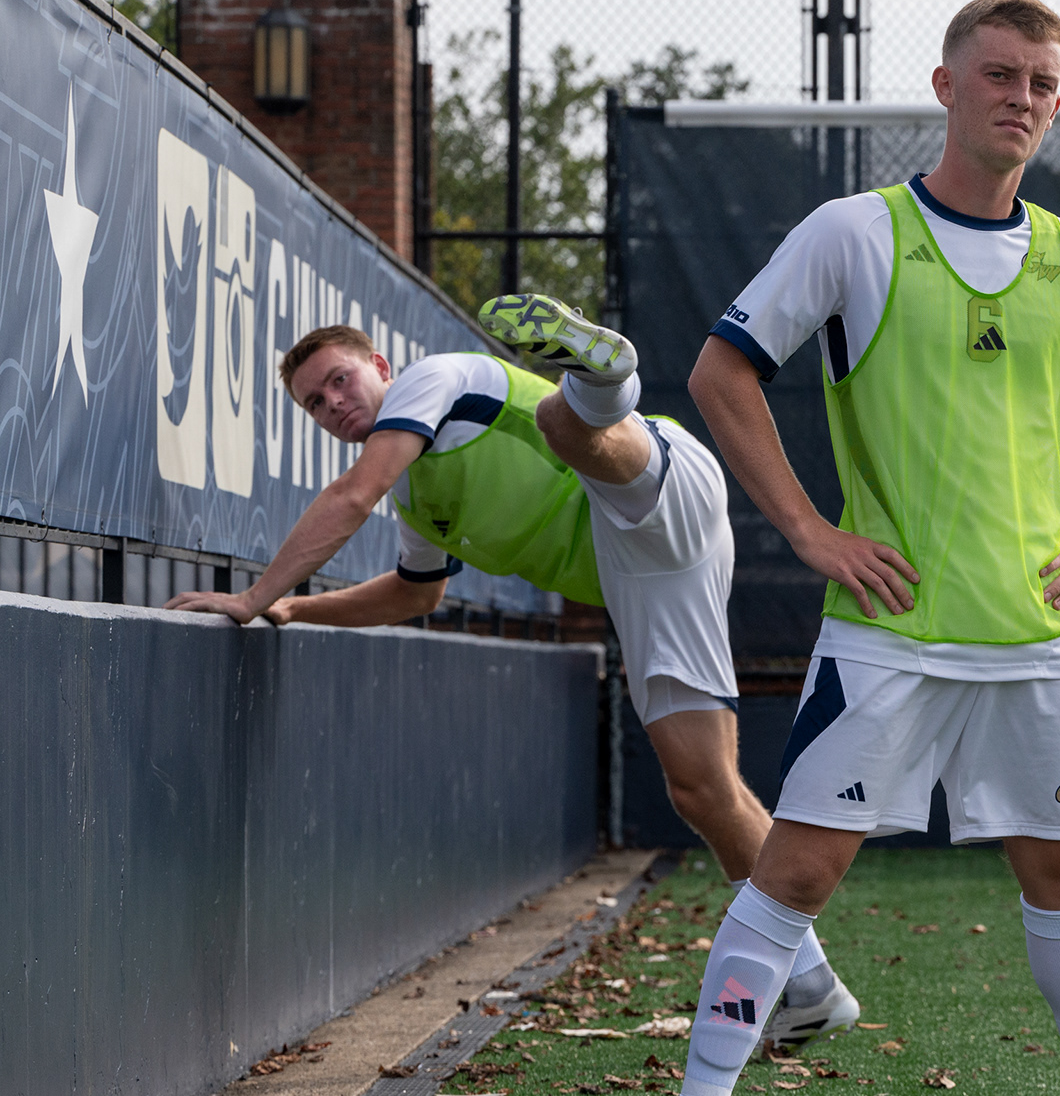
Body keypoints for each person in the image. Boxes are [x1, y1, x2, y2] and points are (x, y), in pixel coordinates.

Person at [648, 0, 1060, 1096]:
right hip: (889, 633)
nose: (1018, 97)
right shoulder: (854, 232)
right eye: (997, 74)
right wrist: (812, 530)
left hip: (1031, 636)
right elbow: (721, 371)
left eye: (1039, 82)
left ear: (1057, 101)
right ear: (944, 84)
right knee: (799, 871)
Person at [164, 300, 858, 1052]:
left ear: (382, 369)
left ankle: (603, 380)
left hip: (654, 474)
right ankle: (812, 987)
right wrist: (294, 611)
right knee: (701, 788)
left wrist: (251, 598)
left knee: (569, 426)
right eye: (314, 402)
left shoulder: (433, 381)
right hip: (656, 572)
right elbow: (416, 591)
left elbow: (350, 495)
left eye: (339, 380)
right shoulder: (418, 499)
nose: (332, 403)